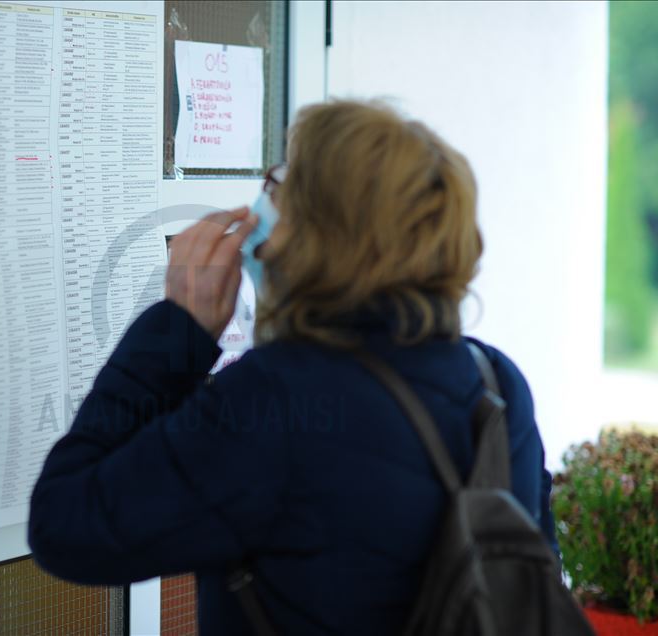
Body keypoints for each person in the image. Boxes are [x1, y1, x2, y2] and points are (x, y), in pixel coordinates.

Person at [28, 100, 558, 634]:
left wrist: (178, 330)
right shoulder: (497, 384)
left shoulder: (276, 400)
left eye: (280, 184)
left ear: (324, 234)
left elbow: (66, 524)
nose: (262, 203)